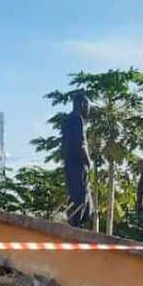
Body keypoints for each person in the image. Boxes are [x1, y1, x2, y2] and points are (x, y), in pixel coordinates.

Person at [61, 93, 94, 229]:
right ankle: (73, 226)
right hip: (78, 164)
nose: (88, 109)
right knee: (81, 198)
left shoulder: (68, 120)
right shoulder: (77, 119)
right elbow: (81, 144)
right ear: (82, 104)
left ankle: (74, 224)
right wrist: (88, 160)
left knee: (78, 197)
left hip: (69, 164)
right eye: (88, 106)